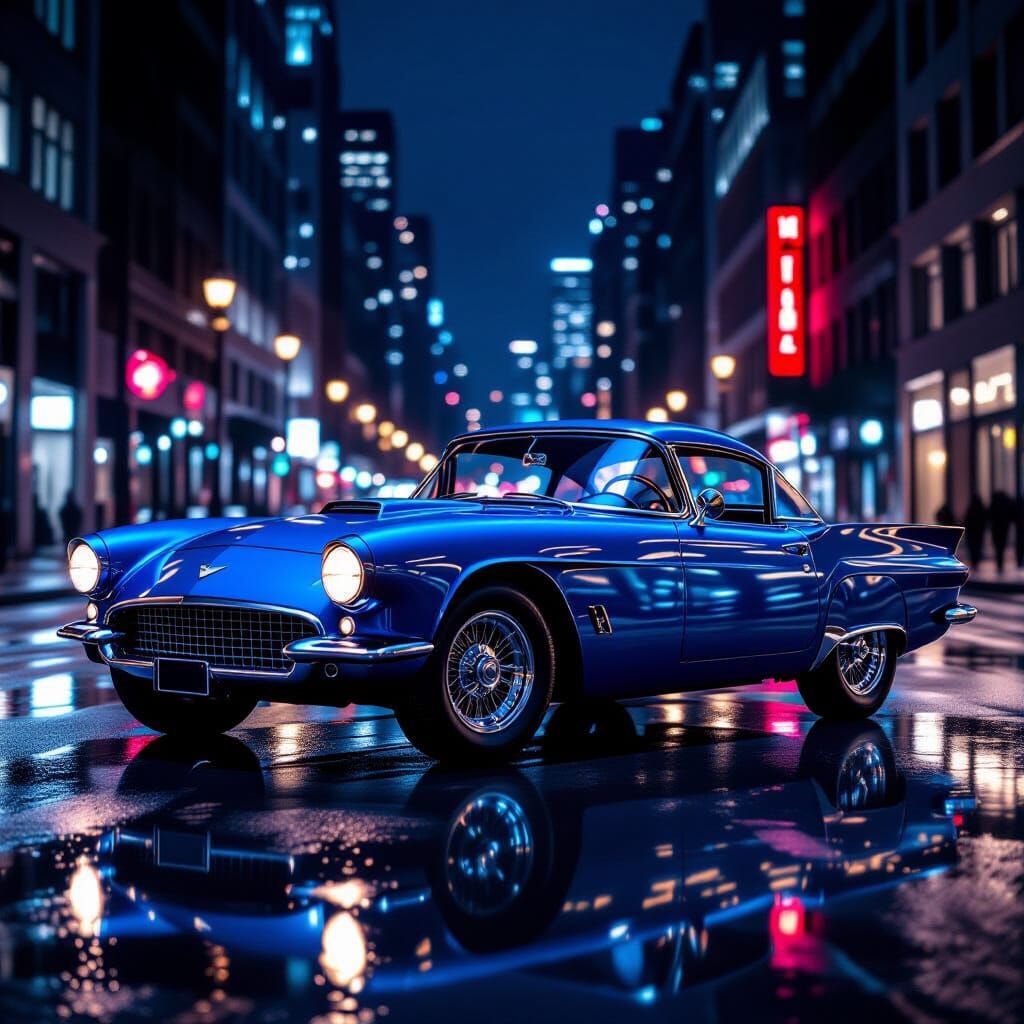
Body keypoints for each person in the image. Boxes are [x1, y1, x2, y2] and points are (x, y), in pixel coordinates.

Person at [989, 490, 1016, 574]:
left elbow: (989, 516)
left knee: (998, 548)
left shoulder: (994, 504)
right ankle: (1000, 564)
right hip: (1003, 528)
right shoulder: (1006, 504)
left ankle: (999, 564)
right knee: (1001, 547)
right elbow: (1012, 515)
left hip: (996, 529)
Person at [963, 494, 988, 567]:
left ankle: (974, 561)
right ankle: (976, 561)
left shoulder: (971, 508)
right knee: (977, 546)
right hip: (979, 531)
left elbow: (967, 520)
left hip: (971, 532)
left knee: (972, 547)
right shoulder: (982, 508)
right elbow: (984, 520)